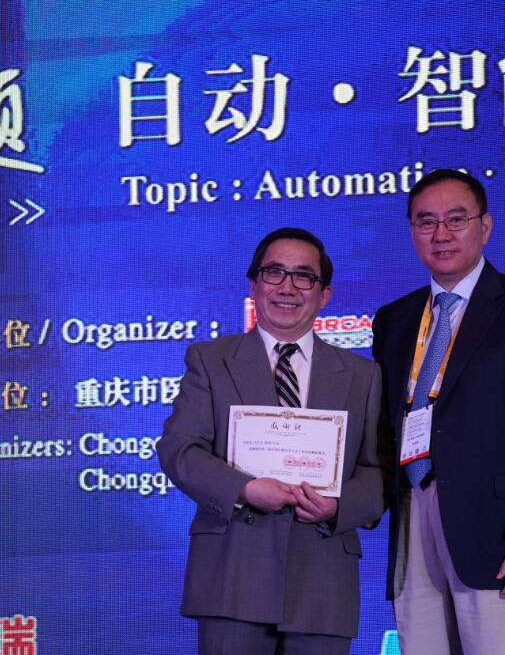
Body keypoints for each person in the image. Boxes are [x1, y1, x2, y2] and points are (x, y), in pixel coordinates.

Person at [371, 169, 505, 654]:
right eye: (426, 222)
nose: (440, 234)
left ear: (485, 226)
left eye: (456, 219)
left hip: (501, 534)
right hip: (413, 516)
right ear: (411, 231)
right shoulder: (394, 319)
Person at [158, 227, 385, 655]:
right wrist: (243, 489)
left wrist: (338, 506)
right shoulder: (210, 360)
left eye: (304, 276)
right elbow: (179, 449)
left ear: (324, 295)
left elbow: (377, 471)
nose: (287, 287)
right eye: (274, 272)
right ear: (254, 284)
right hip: (233, 573)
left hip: (322, 579)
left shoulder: (363, 375)